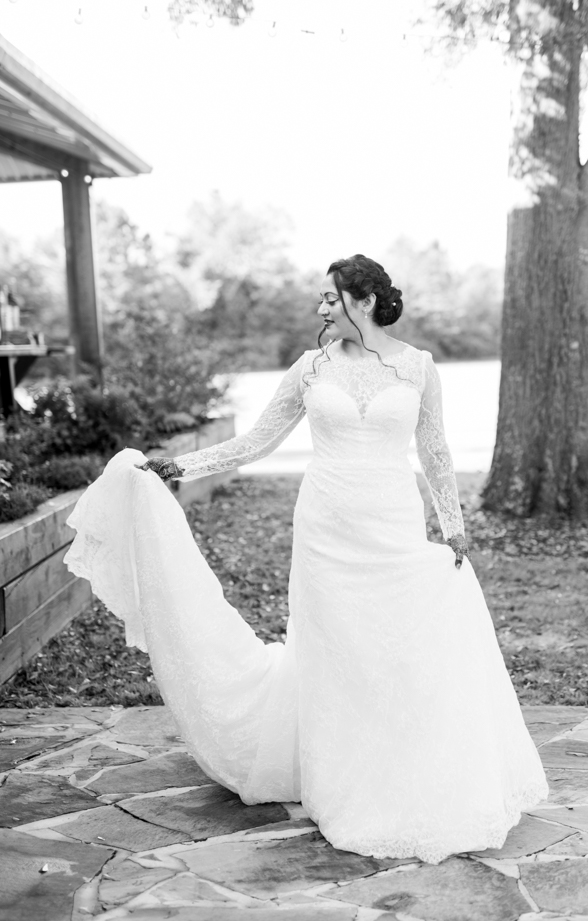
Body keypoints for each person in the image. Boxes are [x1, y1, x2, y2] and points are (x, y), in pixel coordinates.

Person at [65, 254, 548, 865]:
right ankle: (340, 775)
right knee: (338, 646)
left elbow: (436, 452)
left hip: (392, 521)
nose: (321, 308)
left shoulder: (420, 367)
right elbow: (257, 440)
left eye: (330, 297)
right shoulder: (309, 368)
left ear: (365, 300)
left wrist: (453, 527)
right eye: (321, 299)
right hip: (326, 525)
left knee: (394, 642)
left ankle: (400, 760)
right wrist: (179, 467)